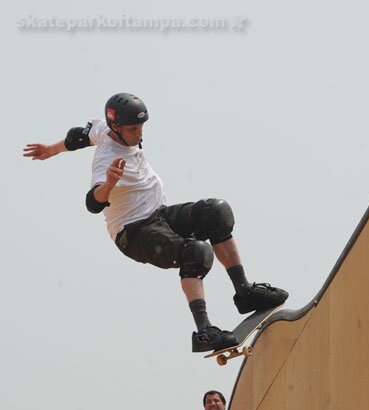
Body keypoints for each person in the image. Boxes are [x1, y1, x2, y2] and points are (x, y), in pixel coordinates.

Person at [23, 92, 288, 352]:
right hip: (134, 233)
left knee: (216, 212)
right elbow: (93, 203)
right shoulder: (106, 160)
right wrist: (110, 183)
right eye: (133, 129)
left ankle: (244, 292)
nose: (139, 134)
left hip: (158, 215)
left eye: (140, 127)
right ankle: (204, 331)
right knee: (196, 253)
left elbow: (78, 136)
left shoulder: (105, 128)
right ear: (117, 128)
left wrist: (51, 150)